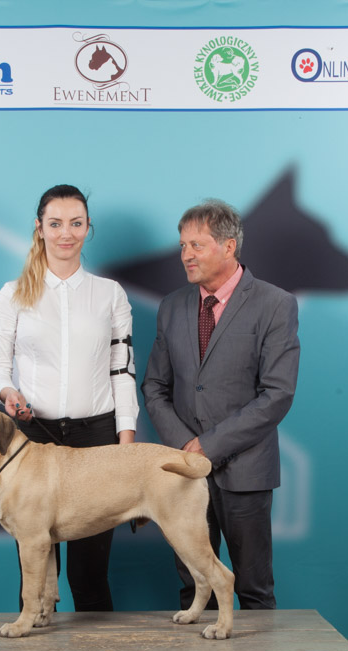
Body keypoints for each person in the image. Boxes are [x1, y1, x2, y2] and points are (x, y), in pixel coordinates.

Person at [0, 184, 138, 612]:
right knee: (35, 573)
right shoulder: (11, 294)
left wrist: (126, 445)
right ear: (39, 228)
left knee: (89, 574)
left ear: (88, 228)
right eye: (55, 224)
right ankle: (33, 646)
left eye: (76, 223)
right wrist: (7, 392)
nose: (65, 233)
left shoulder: (110, 294)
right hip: (31, 438)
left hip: (97, 440)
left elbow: (123, 371)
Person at [141, 199, 299, 610]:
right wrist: (186, 446)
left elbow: (277, 394)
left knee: (254, 591)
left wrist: (208, 446)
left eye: (196, 245)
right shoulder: (172, 306)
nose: (185, 255)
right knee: (194, 589)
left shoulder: (275, 304)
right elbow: (154, 386)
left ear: (229, 247)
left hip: (246, 472)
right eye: (182, 245)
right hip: (183, 471)